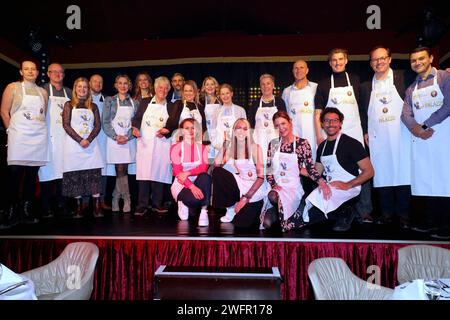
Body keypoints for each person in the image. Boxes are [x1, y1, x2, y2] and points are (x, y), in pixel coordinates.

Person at [314, 48, 373, 223]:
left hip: (353, 132)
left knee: (363, 169)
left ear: (346, 60)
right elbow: (318, 112)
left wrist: (365, 131)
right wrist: (319, 135)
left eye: (340, 59)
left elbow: (362, 108)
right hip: (332, 134)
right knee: (334, 170)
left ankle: (364, 210)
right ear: (330, 62)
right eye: (334, 60)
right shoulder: (324, 84)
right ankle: (335, 206)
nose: (337, 62)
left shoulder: (355, 80)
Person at [401, 47, 450, 239]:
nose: (417, 62)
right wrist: (416, 129)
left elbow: (448, 105)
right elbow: (405, 113)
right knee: (426, 181)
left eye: (421, 58)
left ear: (430, 58)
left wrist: (426, 124)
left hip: (443, 139)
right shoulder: (411, 88)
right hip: (422, 140)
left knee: (444, 181)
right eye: (413, 60)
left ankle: (446, 226)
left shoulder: (444, 78)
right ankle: (430, 223)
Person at [361, 46, 412, 228]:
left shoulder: (403, 77)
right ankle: (386, 214)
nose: (379, 62)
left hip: (401, 135)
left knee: (402, 173)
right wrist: (365, 131)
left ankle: (404, 215)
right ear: (371, 63)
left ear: (389, 59)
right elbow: (363, 112)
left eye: (382, 58)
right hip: (378, 137)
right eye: (375, 59)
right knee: (381, 174)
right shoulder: (366, 87)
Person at [303, 108, 374, 232]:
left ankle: (348, 212)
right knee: (310, 218)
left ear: (340, 123)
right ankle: (343, 213)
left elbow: (369, 171)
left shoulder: (352, 144)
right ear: (322, 124)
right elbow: (317, 174)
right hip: (330, 188)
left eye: (335, 120)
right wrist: (298, 168)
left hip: (350, 188)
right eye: (327, 121)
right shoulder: (322, 147)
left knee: (328, 217)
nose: (331, 124)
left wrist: (348, 184)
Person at [0, 60, 48, 228]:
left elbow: (43, 114)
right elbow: (4, 112)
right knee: (14, 176)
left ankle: (27, 211)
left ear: (37, 72)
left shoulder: (43, 92)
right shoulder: (12, 87)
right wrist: (11, 131)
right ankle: (10, 212)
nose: (30, 71)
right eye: (26, 69)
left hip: (38, 138)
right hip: (19, 137)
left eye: (33, 69)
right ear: (21, 72)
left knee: (31, 177)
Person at [263, 111, 327, 232]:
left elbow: (310, 169)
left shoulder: (302, 143)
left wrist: (322, 183)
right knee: (273, 197)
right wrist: (274, 185)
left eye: (283, 123)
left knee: (283, 224)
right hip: (278, 187)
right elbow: (269, 170)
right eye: (277, 126)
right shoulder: (274, 144)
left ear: (290, 122)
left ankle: (282, 212)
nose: (281, 128)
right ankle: (279, 211)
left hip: (293, 187)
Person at [212, 118, 269, 227]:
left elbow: (261, 178)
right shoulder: (232, 148)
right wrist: (225, 143)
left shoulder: (255, 148)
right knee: (218, 172)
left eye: (245, 129)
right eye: (238, 128)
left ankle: (262, 211)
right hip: (242, 184)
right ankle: (231, 207)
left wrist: (245, 198)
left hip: (255, 189)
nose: (241, 131)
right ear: (233, 131)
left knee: (241, 224)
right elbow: (216, 164)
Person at [62, 77, 103, 218]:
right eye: (79, 86)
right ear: (75, 88)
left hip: (91, 146)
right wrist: (80, 140)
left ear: (88, 89)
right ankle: (78, 208)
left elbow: (98, 125)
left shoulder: (94, 106)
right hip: (74, 146)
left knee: (93, 177)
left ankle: (96, 207)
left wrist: (89, 140)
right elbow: (66, 125)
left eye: (85, 87)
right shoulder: (68, 105)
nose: (82, 89)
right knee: (76, 177)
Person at [132, 76, 173, 215]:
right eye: (160, 87)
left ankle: (157, 203)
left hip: (162, 145)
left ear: (169, 90)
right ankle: (142, 204)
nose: (163, 90)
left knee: (159, 173)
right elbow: (137, 119)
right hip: (145, 143)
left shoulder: (171, 105)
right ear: (155, 88)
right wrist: (135, 128)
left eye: (166, 88)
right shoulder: (144, 102)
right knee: (144, 174)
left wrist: (167, 131)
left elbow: (173, 124)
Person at [38, 63, 72, 218]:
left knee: (64, 174)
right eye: (55, 72)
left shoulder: (70, 92)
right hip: (48, 138)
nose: (58, 75)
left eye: (61, 72)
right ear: (48, 74)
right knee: (46, 173)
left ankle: (62, 205)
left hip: (66, 139)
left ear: (64, 75)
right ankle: (45, 207)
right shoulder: (42, 90)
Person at [282, 59, 319, 196]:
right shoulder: (287, 92)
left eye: (301, 67)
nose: (298, 70)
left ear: (307, 70)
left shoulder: (316, 88)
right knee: (296, 173)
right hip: (294, 140)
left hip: (313, 138)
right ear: (292, 71)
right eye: (295, 68)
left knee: (314, 172)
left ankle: (315, 208)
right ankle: (298, 206)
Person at [102, 74, 138, 213]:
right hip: (114, 140)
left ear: (129, 85)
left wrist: (127, 137)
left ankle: (117, 197)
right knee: (119, 169)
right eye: (120, 83)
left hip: (128, 140)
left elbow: (135, 123)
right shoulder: (109, 101)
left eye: (125, 83)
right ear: (116, 85)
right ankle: (124, 198)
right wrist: (116, 136)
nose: (123, 86)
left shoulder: (135, 102)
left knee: (124, 169)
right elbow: (105, 121)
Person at [170, 118, 211, 226]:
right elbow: (178, 172)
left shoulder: (202, 148)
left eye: (193, 128)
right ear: (182, 131)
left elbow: (203, 168)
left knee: (205, 177)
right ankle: (183, 202)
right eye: (187, 128)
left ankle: (203, 211)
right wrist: (192, 186)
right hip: (181, 183)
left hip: (198, 181)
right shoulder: (175, 148)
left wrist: (188, 173)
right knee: (193, 200)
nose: (190, 131)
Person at [248, 74, 287, 164]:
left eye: (268, 83)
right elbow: (251, 126)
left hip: (275, 142)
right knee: (260, 168)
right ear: (260, 86)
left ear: (273, 85)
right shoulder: (255, 104)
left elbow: (285, 124)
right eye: (263, 84)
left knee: (274, 168)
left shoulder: (279, 102)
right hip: (259, 142)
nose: (266, 86)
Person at [89, 74, 114, 210]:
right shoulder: (83, 99)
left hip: (104, 138)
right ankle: (86, 200)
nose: (98, 84)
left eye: (100, 82)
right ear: (90, 83)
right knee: (88, 168)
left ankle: (101, 200)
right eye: (95, 81)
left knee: (103, 169)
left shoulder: (108, 100)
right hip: (87, 138)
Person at [211, 84, 247, 164]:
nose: (225, 96)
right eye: (222, 94)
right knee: (221, 172)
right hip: (220, 150)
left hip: (236, 149)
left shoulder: (240, 110)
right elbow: (212, 131)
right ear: (219, 96)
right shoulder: (216, 112)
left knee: (235, 172)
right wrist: (219, 146)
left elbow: (245, 131)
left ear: (231, 94)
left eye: (227, 93)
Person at [199, 76, 221, 159]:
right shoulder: (200, 101)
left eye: (212, 84)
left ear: (216, 86)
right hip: (205, 134)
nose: (210, 87)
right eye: (207, 84)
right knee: (206, 159)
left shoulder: (221, 99)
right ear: (204, 87)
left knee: (218, 159)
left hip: (218, 133)